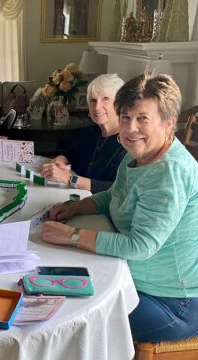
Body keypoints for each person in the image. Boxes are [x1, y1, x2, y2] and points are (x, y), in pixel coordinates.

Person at [41, 72, 198, 343]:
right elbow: (115, 194)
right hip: (132, 277)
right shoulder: (138, 153)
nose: (130, 128)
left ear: (169, 123)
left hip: (171, 302)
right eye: (125, 117)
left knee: (71, 324)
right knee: (53, 287)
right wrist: (76, 208)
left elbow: (140, 246)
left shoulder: (168, 173)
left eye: (142, 119)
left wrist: (73, 236)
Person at [39, 74, 126, 193]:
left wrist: (70, 179)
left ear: (119, 103)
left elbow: (117, 188)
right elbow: (73, 153)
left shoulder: (128, 142)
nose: (97, 107)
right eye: (93, 100)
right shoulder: (92, 131)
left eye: (105, 99)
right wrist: (61, 160)